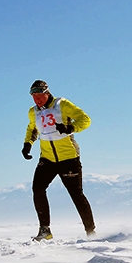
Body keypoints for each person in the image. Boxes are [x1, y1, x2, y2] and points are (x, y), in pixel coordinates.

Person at [22, 80, 96, 241]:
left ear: (47, 93)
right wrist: (27, 144)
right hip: (47, 158)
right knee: (38, 189)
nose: (37, 99)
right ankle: (45, 230)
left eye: (39, 95)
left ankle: (91, 231)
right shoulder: (33, 112)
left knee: (76, 194)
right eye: (33, 96)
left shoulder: (62, 105)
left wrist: (71, 128)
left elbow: (85, 119)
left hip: (68, 157)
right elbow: (32, 128)